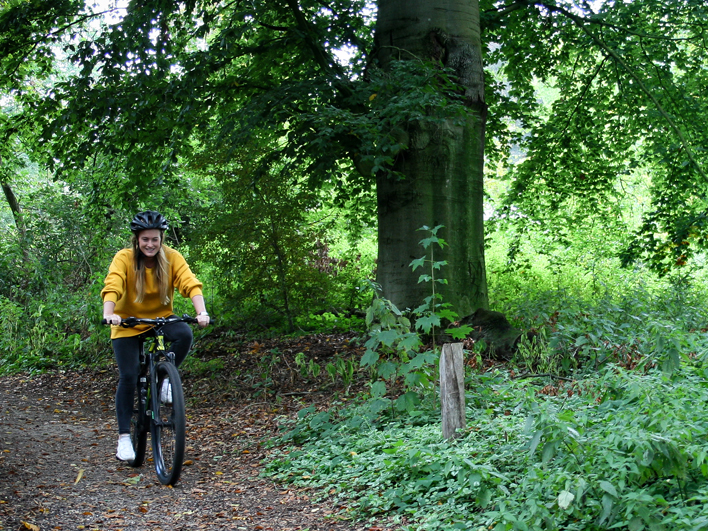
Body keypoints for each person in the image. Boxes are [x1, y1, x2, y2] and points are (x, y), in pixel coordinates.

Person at [101, 210, 209, 462]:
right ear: (136, 240)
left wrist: (201, 311)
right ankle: (124, 438)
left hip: (158, 319)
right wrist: (110, 314)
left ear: (161, 239)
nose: (150, 244)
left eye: (155, 239)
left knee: (183, 333)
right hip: (127, 322)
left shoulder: (172, 257)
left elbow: (189, 283)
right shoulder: (124, 258)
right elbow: (113, 284)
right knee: (128, 376)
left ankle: (164, 382)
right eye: (145, 239)